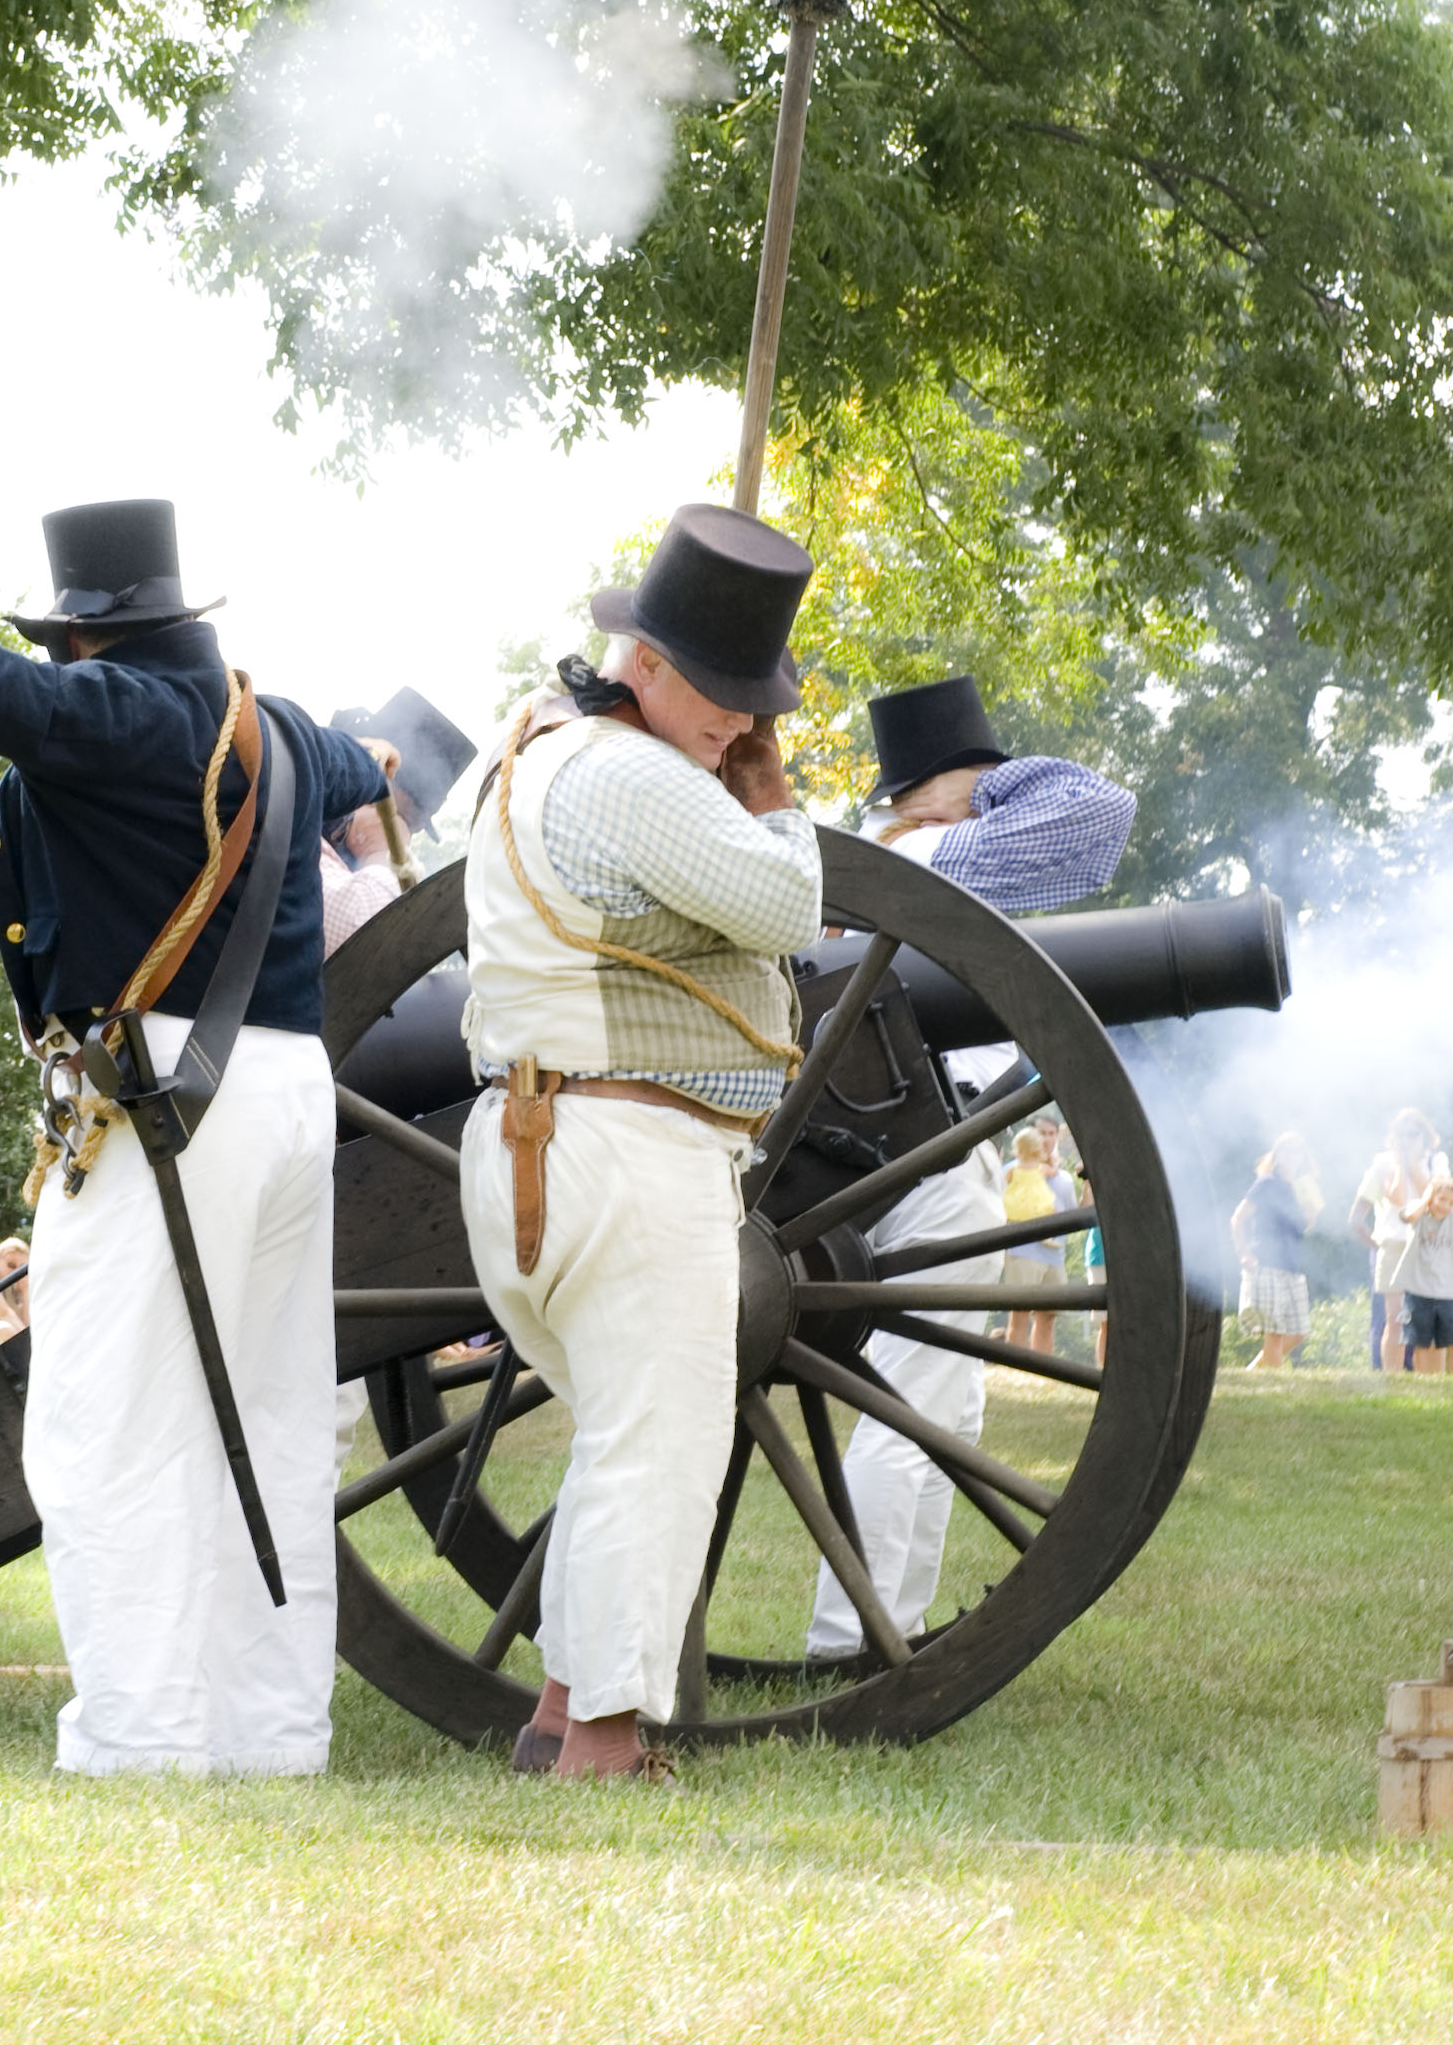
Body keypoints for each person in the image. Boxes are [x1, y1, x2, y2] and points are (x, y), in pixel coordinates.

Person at [0, 498, 383, 1779]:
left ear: (88, 639)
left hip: (166, 1098)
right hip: (287, 1089)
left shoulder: (133, 713)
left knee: (106, 1424)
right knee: (265, 1419)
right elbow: (373, 768)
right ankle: (271, 1736)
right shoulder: (285, 726)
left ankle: (140, 1738)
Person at [459, 504, 819, 1782]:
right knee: (658, 1443)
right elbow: (793, 903)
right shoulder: (632, 774)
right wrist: (771, 800)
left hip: (531, 1140)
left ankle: (560, 1708)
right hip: (627, 1143)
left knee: (617, 1429)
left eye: (755, 705)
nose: (744, 726)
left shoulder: (532, 746)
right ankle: (606, 1746)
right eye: (724, 697)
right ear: (645, 665)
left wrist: (724, 760)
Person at [802, 675, 1138, 1665]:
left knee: (947, 1406)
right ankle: (851, 1633)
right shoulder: (926, 850)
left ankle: (887, 1623)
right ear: (929, 791)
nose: (1001, 797)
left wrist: (969, 784)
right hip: (915, 1148)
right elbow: (1099, 813)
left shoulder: (920, 848)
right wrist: (985, 792)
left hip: (927, 1139)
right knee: (917, 1402)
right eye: (984, 779)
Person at [860, 673, 1138, 913]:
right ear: (941, 798)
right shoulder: (927, 849)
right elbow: (1110, 804)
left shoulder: (875, 842)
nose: (998, 806)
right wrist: (979, 788)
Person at [321, 685, 479, 951]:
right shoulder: (298, 820)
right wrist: (380, 851)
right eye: (400, 822)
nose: (405, 837)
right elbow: (370, 947)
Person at [1351, 1109, 1439, 1373]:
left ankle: (1427, 1379)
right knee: (1395, 1317)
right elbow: (1365, 1214)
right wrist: (1375, 1245)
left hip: (1426, 1246)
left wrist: (1413, 1165)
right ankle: (1392, 1376)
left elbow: (1432, 1199)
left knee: (1427, 1317)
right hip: (1392, 1246)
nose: (1407, 1140)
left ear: (1425, 1136)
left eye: (1413, 1134)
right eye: (1401, 1134)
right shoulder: (1382, 1164)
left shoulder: (1437, 1163)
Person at [1232, 1134, 1322, 1369]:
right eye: (1286, 1151)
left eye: (1296, 1151)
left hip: (1291, 1267)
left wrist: (1311, 1214)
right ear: (1277, 1155)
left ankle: (1253, 1372)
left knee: (1299, 1332)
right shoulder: (1267, 1183)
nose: (1292, 1156)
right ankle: (1275, 1383)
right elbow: (1237, 1218)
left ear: (1303, 1157)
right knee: (1275, 1332)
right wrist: (1243, 1253)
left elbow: (1299, 1228)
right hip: (1266, 1263)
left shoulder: (1297, 1189)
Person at [1397, 1156, 1453, 1374]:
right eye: (1442, 1200)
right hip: (1418, 1290)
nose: (1446, 1206)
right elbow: (1409, 1216)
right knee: (1420, 1341)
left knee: (1452, 1340)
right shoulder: (1418, 1212)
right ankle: (1424, 1380)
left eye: (1451, 1202)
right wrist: (1428, 1196)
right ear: (1431, 1197)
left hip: (1446, 1291)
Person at [999, 1129, 1067, 1358]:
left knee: (1034, 1313)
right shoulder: (1040, 1169)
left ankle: (1021, 1363)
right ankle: (1026, 1363)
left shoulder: (1012, 1170)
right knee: (1020, 1311)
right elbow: (1053, 1170)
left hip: (1019, 1218)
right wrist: (1053, 1160)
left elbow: (1001, 1185)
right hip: (1031, 1233)